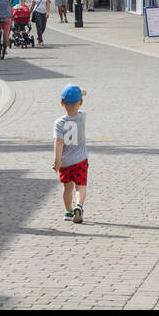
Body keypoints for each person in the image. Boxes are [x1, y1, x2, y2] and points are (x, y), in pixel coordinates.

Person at [52, 84, 88, 223]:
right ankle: (79, 205)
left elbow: (59, 142)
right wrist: (80, 92)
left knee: (67, 187)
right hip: (80, 160)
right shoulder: (82, 117)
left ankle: (68, 211)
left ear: (61, 103)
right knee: (80, 186)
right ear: (81, 102)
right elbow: (83, 95)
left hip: (65, 162)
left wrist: (57, 160)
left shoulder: (58, 123)